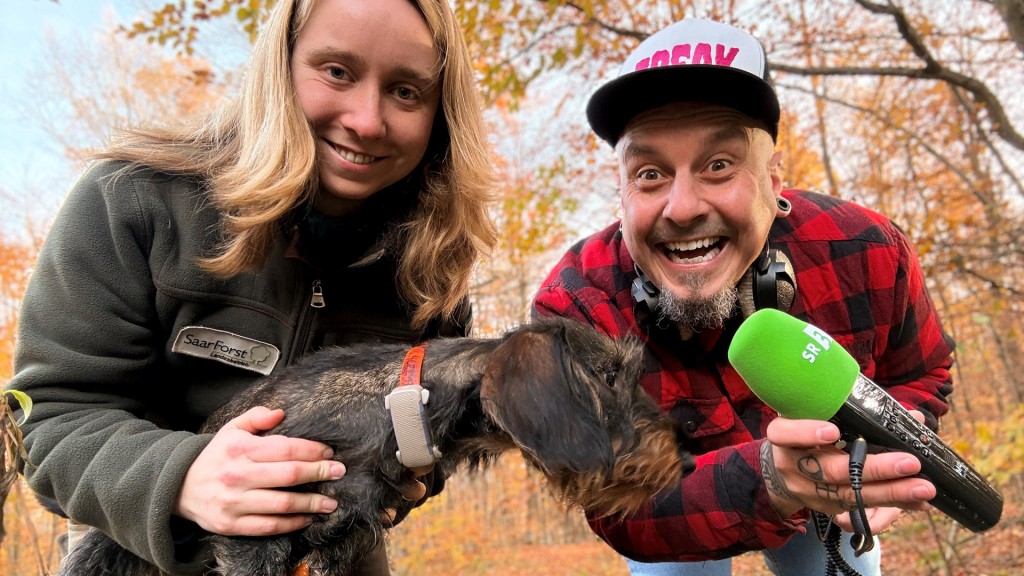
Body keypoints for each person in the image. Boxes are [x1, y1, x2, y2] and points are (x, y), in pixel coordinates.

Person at [6, 0, 497, 574]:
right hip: (135, 555)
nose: (367, 119)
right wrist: (187, 477)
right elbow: (53, 420)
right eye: (337, 72)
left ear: (442, 114)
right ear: (279, 68)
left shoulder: (430, 268)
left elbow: (435, 439)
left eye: (407, 91)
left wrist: (406, 474)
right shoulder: (132, 199)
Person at [531, 18, 955, 576]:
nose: (681, 208)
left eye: (719, 165)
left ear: (775, 180)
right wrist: (771, 478)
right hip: (671, 507)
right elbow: (611, 499)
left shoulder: (866, 251)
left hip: (827, 495)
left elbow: (921, 374)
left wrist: (885, 446)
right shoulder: (576, 308)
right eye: (650, 173)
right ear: (621, 193)